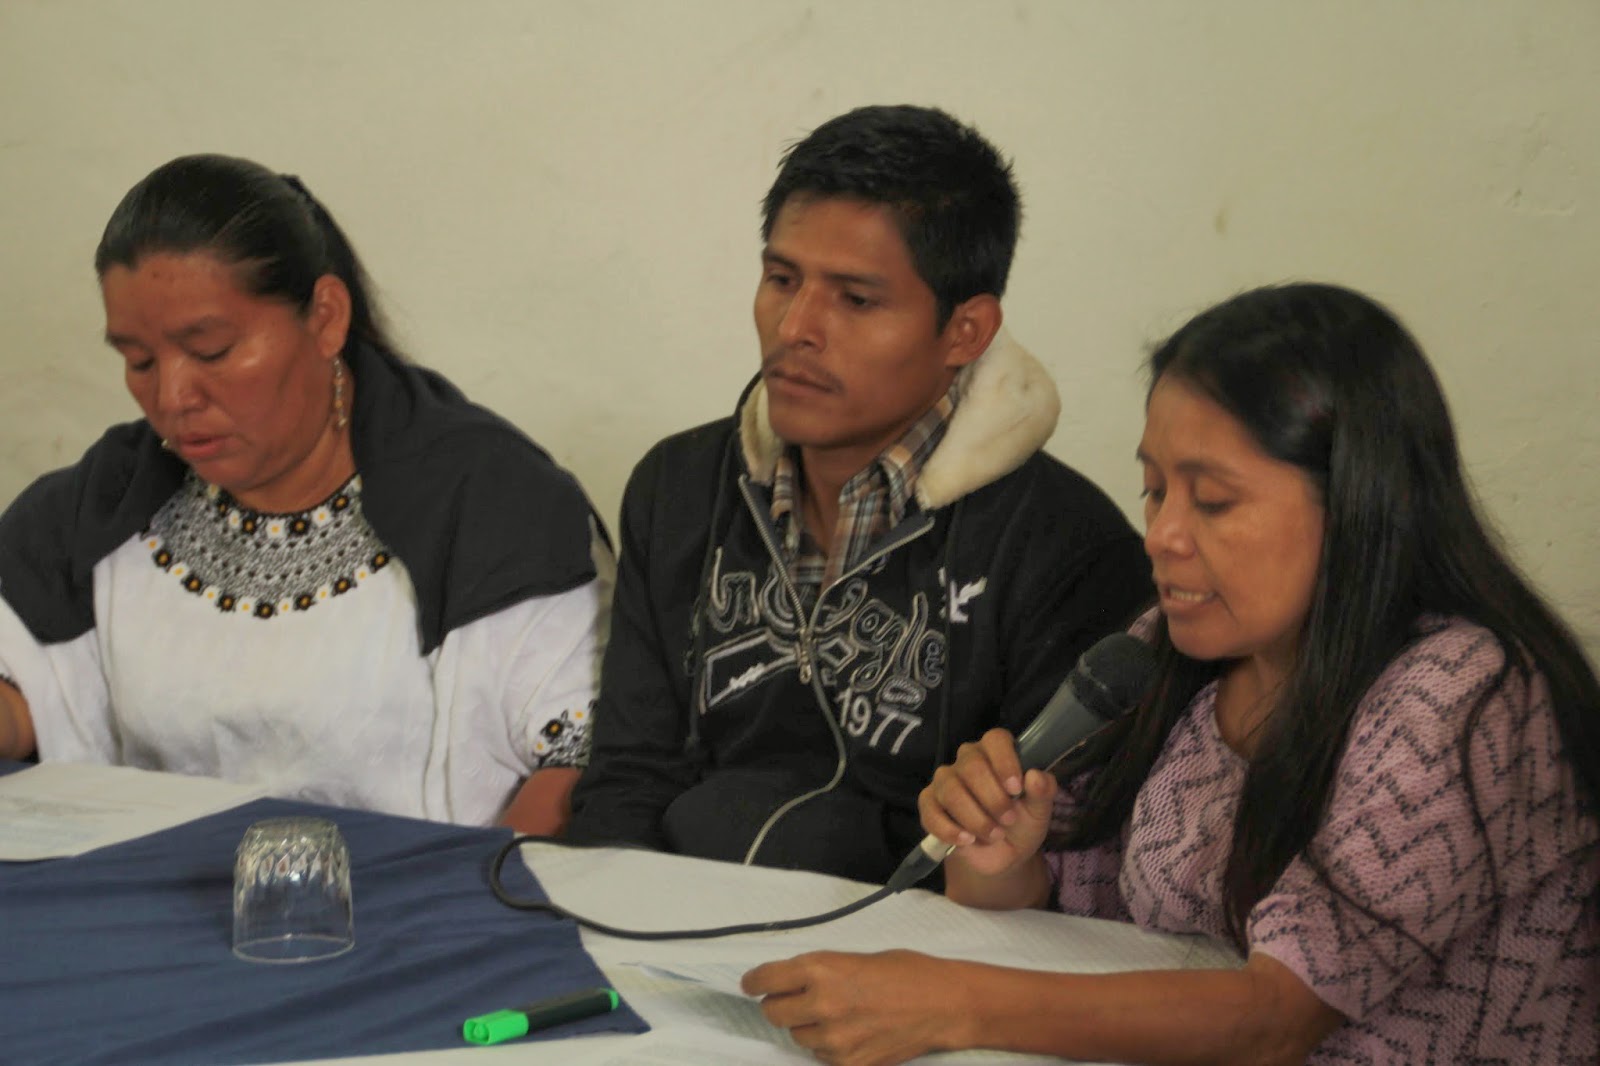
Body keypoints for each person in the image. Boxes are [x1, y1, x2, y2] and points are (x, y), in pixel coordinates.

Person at [742, 282, 1600, 1064]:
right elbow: (1060, 915)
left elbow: (1275, 1019)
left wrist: (953, 1003)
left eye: (1213, 500)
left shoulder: (1464, 693)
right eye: (1154, 491)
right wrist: (1003, 856)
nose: (1162, 535)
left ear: (1357, 506)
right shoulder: (1162, 651)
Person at [566, 105, 1151, 884]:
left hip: (909, 963)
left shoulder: (1068, 547)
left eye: (857, 299)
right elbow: (629, 777)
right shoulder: (677, 487)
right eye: (781, 279)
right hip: (673, 935)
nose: (796, 327)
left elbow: (1051, 863)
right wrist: (611, 935)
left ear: (965, 332)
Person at [0, 154, 611, 834]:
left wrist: (474, 904)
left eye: (211, 351)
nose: (171, 398)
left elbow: (580, 759)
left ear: (325, 317)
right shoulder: (106, 504)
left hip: (423, 917)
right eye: (138, 361)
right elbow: (29, 705)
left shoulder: (490, 503)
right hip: (150, 913)